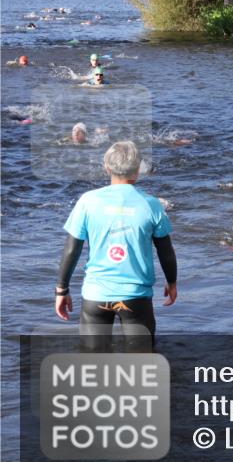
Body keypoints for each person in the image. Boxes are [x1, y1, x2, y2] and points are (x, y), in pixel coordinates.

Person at [55, 141, 177, 350]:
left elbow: (71, 250)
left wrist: (61, 290)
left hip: (95, 296)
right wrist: (172, 282)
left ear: (106, 167)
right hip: (135, 297)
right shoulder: (151, 204)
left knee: (93, 367)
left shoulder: (88, 201)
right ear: (138, 169)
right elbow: (165, 251)